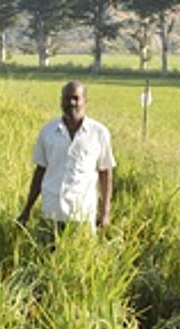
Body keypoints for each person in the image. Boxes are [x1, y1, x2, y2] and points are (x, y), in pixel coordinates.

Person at [17, 81, 116, 232]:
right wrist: (27, 209)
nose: (71, 102)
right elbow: (40, 171)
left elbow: (105, 172)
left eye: (76, 98)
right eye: (67, 98)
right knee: (46, 253)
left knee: (80, 254)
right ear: (61, 101)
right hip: (52, 211)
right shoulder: (48, 131)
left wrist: (105, 212)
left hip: (82, 214)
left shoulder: (99, 133)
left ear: (85, 101)